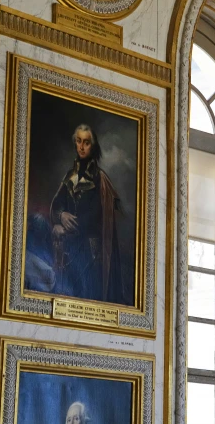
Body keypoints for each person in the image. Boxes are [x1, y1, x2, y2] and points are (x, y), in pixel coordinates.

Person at [50, 124, 127, 304]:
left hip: (90, 253)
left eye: (86, 142)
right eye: (78, 141)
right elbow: (56, 204)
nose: (81, 147)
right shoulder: (70, 176)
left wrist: (65, 229)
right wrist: (60, 216)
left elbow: (94, 216)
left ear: (92, 146)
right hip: (70, 248)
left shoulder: (100, 178)